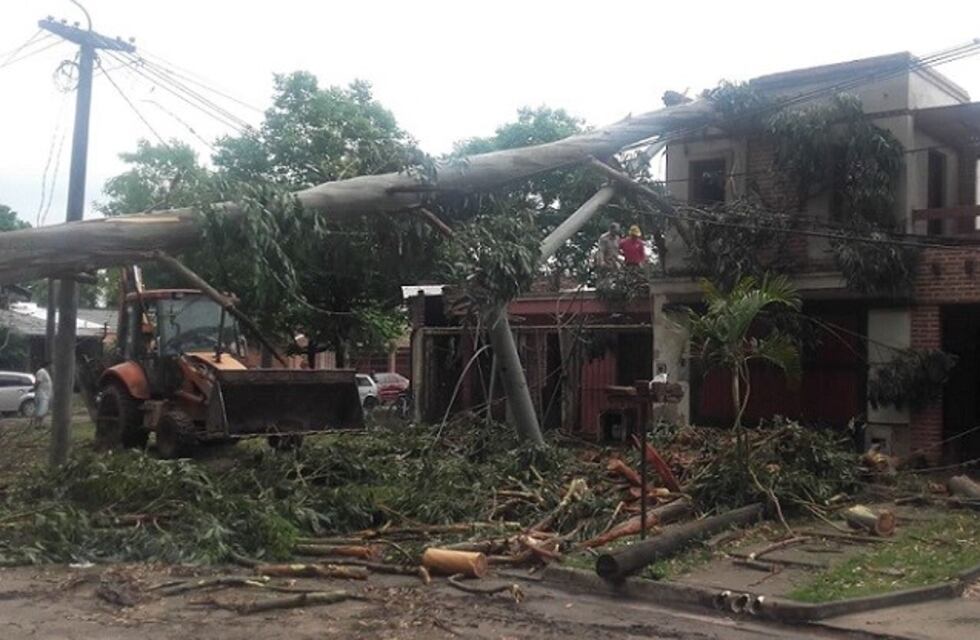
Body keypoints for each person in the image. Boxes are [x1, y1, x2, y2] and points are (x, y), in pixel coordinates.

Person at [33, 361, 52, 425]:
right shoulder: (41, 371)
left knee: (43, 410)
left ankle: (40, 424)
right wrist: (35, 389)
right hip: (41, 394)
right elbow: (38, 381)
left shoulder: (46, 372)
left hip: (46, 394)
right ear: (47, 365)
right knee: (40, 410)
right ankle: (36, 424)